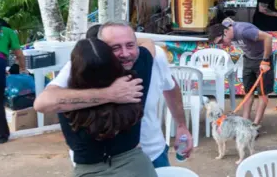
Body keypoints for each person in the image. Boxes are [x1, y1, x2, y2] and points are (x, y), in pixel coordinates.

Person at [36, 22, 192, 169]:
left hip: (152, 154)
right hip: (97, 165)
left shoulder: (151, 56)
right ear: (101, 49)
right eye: (115, 47)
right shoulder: (85, 66)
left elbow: (170, 86)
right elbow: (44, 103)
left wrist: (181, 126)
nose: (125, 54)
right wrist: (110, 94)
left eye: (130, 45)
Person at [60, 38, 157, 176]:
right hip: (134, 165)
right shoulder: (133, 85)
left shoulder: (64, 100)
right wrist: (128, 41)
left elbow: (42, 103)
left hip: (89, 169)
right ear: (113, 63)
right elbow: (149, 44)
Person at [208, 19, 274, 124]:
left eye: (221, 41)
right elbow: (227, 20)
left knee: (262, 93)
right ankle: (245, 121)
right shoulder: (226, 27)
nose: (222, 45)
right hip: (248, 59)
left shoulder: (244, 31)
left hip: (262, 59)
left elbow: (268, 37)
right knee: (248, 92)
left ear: (225, 32)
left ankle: (255, 125)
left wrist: (265, 60)